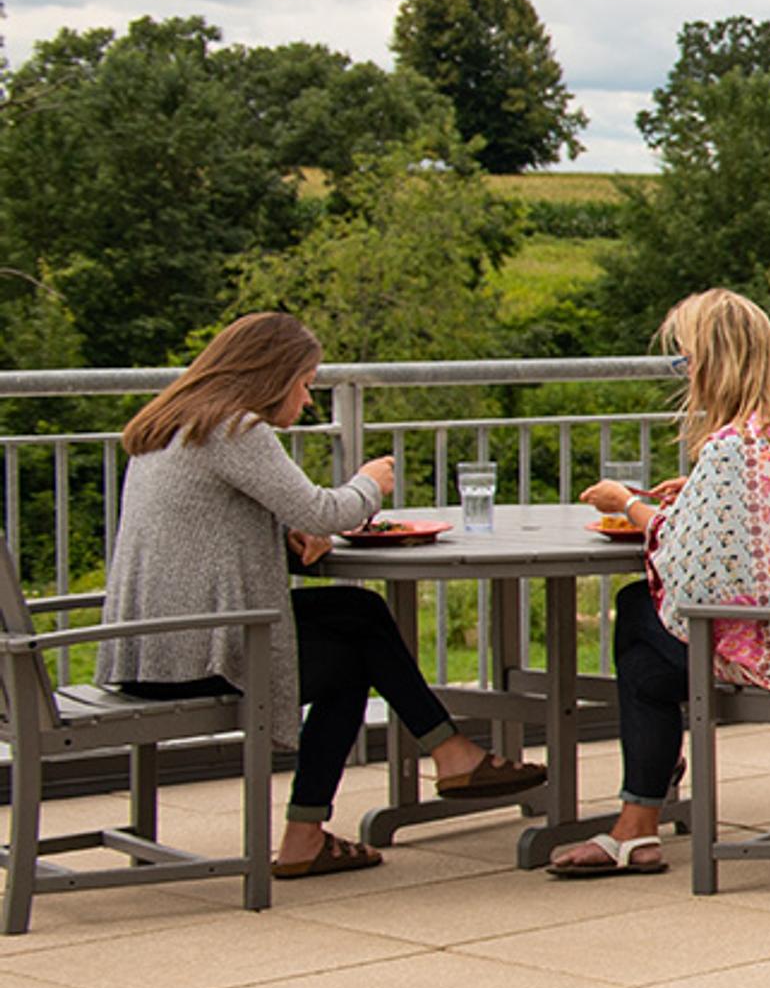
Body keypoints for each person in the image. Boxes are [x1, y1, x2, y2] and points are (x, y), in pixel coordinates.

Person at [100, 314, 542, 878]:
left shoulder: (173, 426)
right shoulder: (233, 429)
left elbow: (205, 533)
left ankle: (443, 757)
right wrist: (370, 483)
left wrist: (285, 539)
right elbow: (323, 511)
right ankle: (389, 788)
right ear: (273, 375)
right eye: (306, 382)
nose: (308, 399)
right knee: (350, 660)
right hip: (195, 655)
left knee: (358, 612)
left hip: (153, 647)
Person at [553, 289, 770, 877]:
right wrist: (695, 495)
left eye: (684, 360)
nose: (683, 373)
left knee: (639, 623)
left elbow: (693, 571)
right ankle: (642, 814)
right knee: (645, 639)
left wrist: (627, 504)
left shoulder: (732, 446)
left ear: (712, 362)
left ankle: (638, 820)